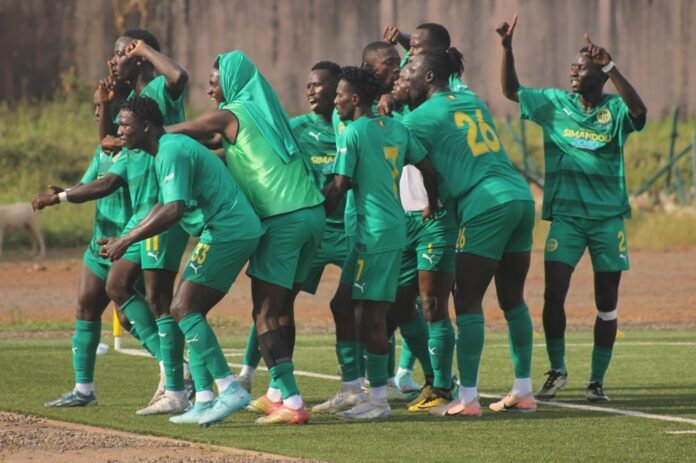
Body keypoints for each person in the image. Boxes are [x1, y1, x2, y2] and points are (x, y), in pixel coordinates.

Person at [167, 50, 325, 425]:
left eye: (215, 81)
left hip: (283, 219)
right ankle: (277, 393)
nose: (210, 88)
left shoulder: (232, 112)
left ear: (232, 81)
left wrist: (147, 133)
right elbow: (219, 147)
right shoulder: (264, 114)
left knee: (265, 314)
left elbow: (190, 130)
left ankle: (293, 403)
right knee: (282, 309)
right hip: (312, 216)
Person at [496, 14, 647, 402]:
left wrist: (612, 67)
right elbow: (511, 91)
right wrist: (507, 48)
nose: (573, 73)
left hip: (607, 219)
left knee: (607, 303)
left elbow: (640, 113)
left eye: (581, 68)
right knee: (553, 295)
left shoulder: (614, 110)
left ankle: (596, 381)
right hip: (566, 219)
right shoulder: (554, 104)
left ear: (599, 76)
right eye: (573, 67)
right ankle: (557, 370)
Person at [100, 95, 264, 426]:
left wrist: (127, 240)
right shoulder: (166, 151)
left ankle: (229, 388)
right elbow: (164, 205)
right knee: (187, 310)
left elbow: (173, 211)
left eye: (126, 124)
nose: (119, 130)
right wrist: (125, 239)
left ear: (146, 127)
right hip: (222, 230)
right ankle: (203, 399)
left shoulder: (171, 150)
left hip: (228, 229)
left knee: (183, 308)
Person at [404, 47, 536, 416]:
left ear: (429, 76)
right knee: (512, 298)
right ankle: (523, 390)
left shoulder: (421, 116)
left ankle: (467, 398)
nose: (406, 75)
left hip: (485, 203)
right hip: (520, 196)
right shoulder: (473, 101)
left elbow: (392, 145)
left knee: (466, 300)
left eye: (411, 69)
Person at [322, 66, 440, 420]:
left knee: (372, 315)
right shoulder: (396, 128)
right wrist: (432, 202)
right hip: (384, 230)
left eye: (340, 95)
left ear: (356, 98)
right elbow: (428, 168)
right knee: (342, 305)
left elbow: (339, 186)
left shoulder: (353, 132)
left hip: (375, 235)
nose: (335, 101)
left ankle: (377, 400)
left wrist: (311, 215)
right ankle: (351, 388)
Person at [37, 81, 151, 408]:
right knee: (85, 308)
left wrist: (60, 198)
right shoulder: (101, 151)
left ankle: (179, 372)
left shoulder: (133, 152)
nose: (98, 114)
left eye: (103, 108)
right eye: (96, 109)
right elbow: (87, 183)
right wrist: (65, 191)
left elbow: (104, 186)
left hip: (125, 244)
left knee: (128, 319)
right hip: (98, 245)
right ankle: (83, 390)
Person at [389, 68, 458, 413]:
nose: (397, 83)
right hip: (404, 219)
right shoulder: (396, 114)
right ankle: (433, 377)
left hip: (434, 216)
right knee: (401, 304)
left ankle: (442, 386)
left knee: (432, 304)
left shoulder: (432, 115)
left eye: (404, 78)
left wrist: (432, 200)